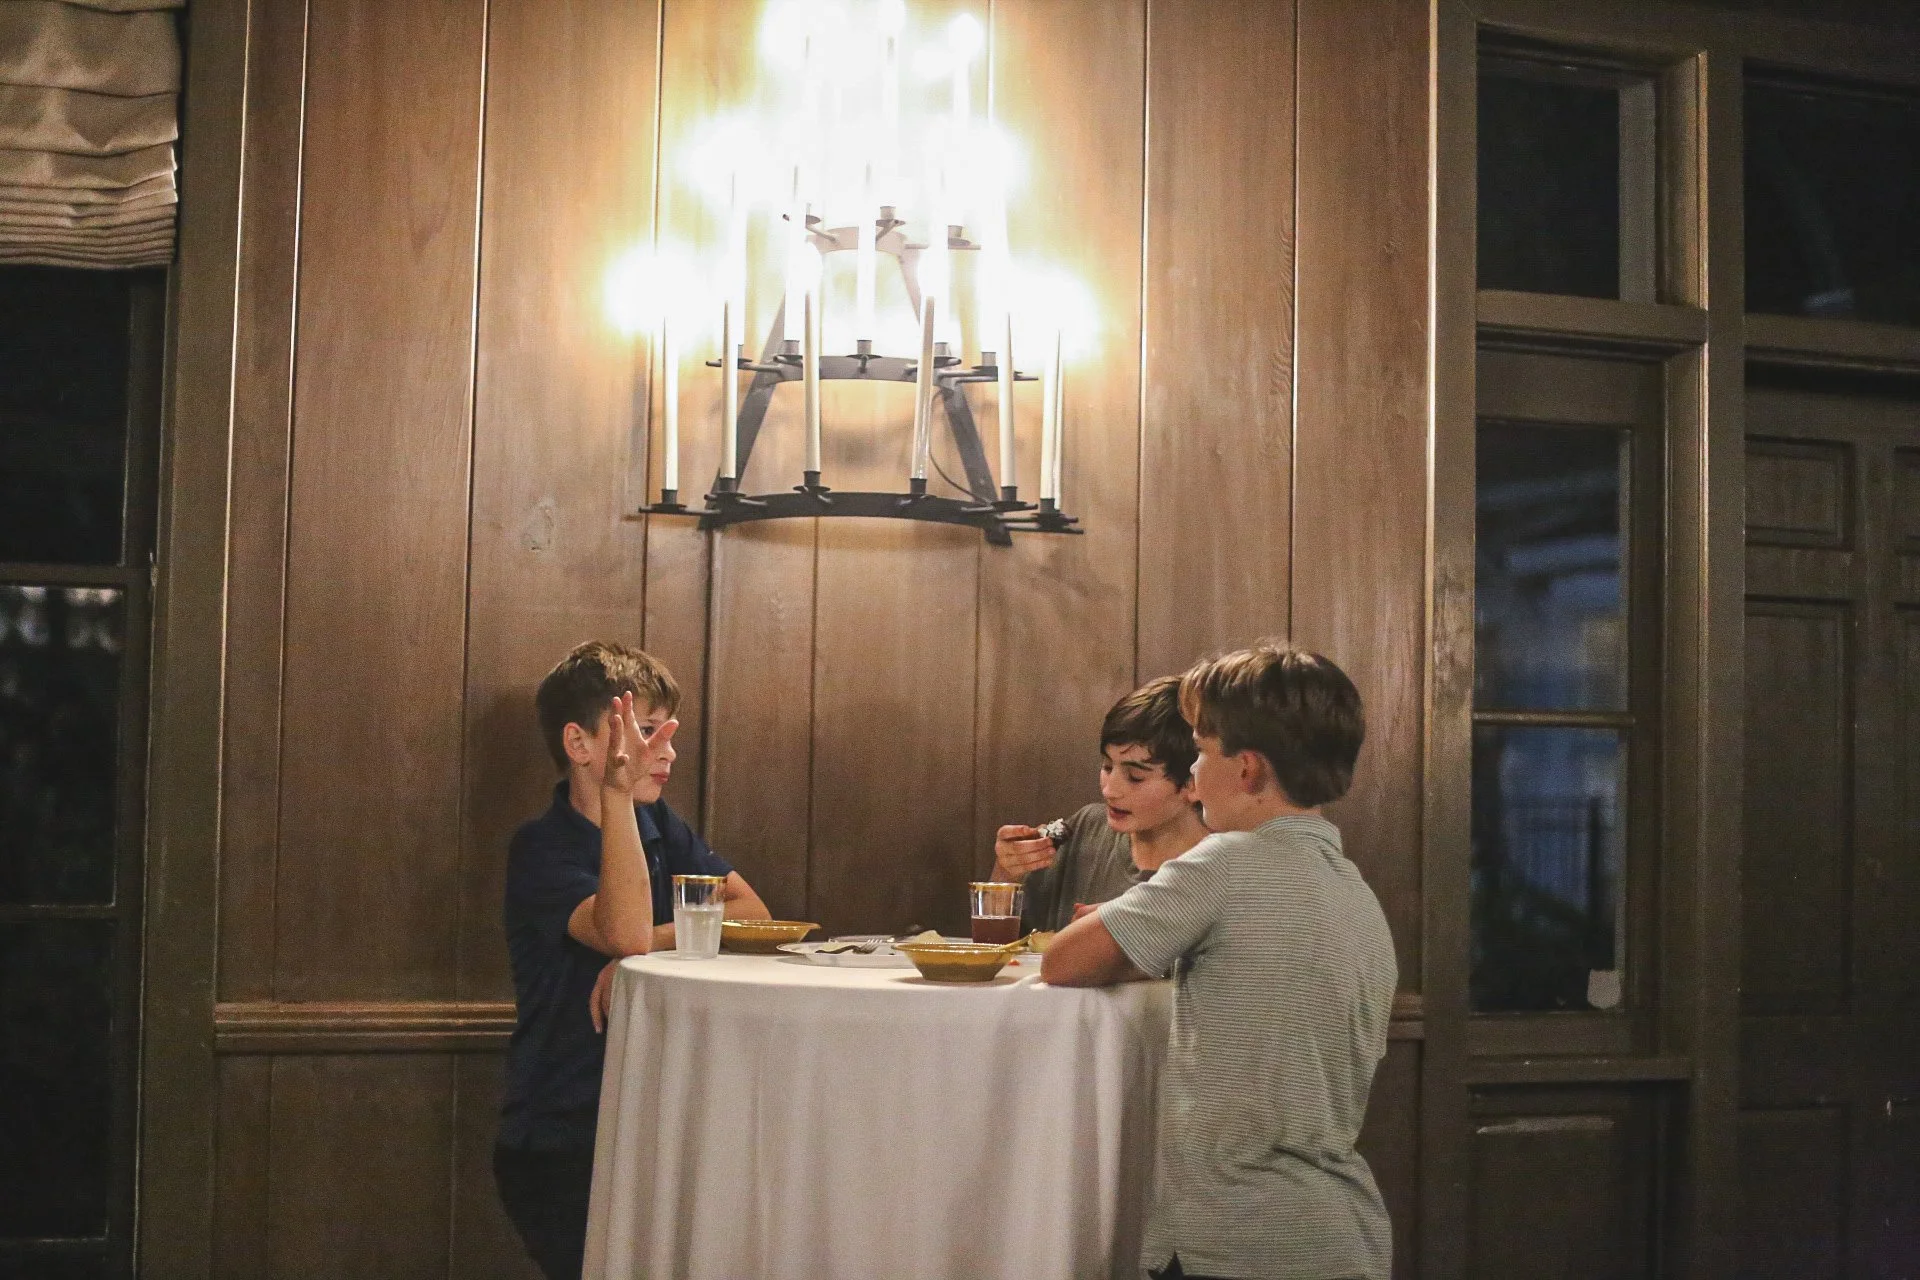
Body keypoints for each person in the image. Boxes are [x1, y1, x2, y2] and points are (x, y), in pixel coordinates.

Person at [1043, 644, 1396, 1280]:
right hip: (1341, 1235)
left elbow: (1063, 961)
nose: (1195, 775)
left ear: (1248, 770)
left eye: (1202, 753)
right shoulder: (1355, 893)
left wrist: (1132, 924)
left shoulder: (1222, 863)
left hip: (1235, 1236)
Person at [493, 641, 769, 1280]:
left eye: (670, 733)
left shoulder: (660, 824)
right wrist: (616, 801)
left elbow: (753, 911)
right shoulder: (541, 846)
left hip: (649, 1125)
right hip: (563, 1133)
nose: (667, 752)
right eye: (647, 731)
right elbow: (623, 933)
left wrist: (653, 955)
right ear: (579, 743)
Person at [990, 675, 1210, 932]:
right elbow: (998, 941)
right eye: (1107, 766)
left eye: (1135, 777)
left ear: (1193, 783)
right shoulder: (1085, 830)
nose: (1109, 791)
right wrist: (1007, 874)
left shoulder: (1221, 866)